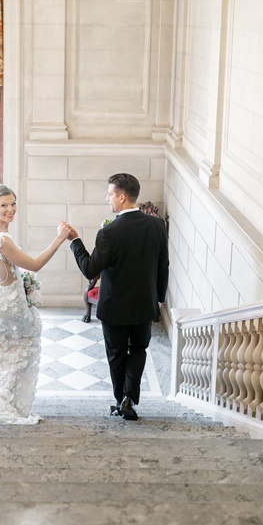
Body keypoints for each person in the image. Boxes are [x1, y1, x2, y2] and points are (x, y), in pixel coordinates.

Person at [63, 175, 170, 422]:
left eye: (109, 194)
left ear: (122, 197)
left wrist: (75, 241)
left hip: (114, 308)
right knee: (139, 349)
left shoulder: (109, 232)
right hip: (144, 304)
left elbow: (90, 269)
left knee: (117, 355)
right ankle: (128, 398)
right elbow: (163, 264)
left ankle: (121, 400)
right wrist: (159, 298)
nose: (107, 198)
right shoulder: (156, 226)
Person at [0, 184, 74, 428]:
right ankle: (5, 402)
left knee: (0, 348)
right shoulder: (2, 240)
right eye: (4, 205)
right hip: (8, 303)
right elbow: (35, 264)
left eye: (13, 203)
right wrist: (59, 238)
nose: (11, 209)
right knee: (24, 343)